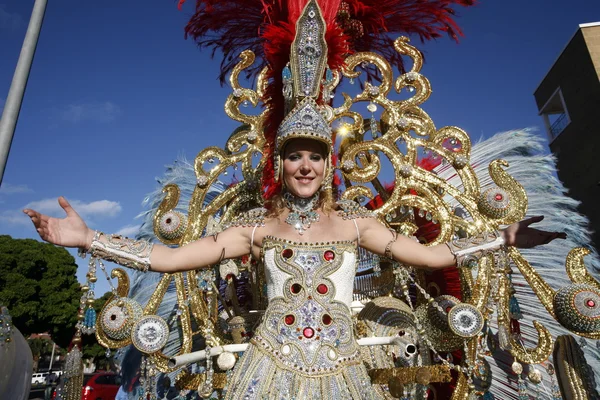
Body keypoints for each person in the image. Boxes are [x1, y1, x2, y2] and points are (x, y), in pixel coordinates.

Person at [23, 2, 566, 397]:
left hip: (345, 378)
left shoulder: (357, 225)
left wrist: (503, 238)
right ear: (280, 165)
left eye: (314, 156)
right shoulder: (255, 229)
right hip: (264, 376)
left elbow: (433, 257)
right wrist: (88, 238)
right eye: (294, 156)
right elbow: (168, 258)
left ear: (330, 164)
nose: (304, 166)